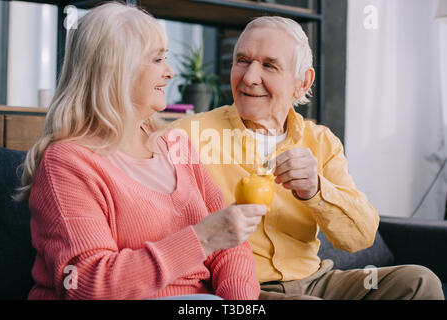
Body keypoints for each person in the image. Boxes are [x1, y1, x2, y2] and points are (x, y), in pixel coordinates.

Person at [172, 16, 445, 300]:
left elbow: (360, 235)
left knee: (418, 282)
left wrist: (316, 189)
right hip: (245, 289)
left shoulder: (321, 141)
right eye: (242, 60)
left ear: (303, 82)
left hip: (318, 281)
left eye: (269, 65)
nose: (250, 77)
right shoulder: (187, 134)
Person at [14, 3, 267, 300]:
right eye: (157, 59)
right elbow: (86, 285)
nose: (170, 72)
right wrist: (201, 238)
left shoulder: (176, 144)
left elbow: (231, 248)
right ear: (116, 68)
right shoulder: (68, 163)